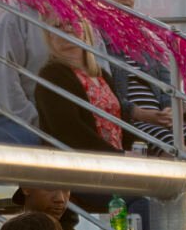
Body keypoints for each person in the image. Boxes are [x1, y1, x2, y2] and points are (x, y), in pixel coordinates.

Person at [0, 0, 88, 146]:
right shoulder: (17, 18)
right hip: (12, 117)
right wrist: (37, 120)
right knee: (37, 149)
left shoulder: (85, 23)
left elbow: (97, 71)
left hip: (63, 120)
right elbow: (4, 79)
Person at [94, 0, 176, 154]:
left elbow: (166, 80)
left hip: (160, 118)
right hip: (130, 121)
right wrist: (140, 113)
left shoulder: (145, 36)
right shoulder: (95, 35)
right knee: (176, 147)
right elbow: (102, 91)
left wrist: (169, 109)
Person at [34, 26, 123, 155]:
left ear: (86, 31)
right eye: (57, 26)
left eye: (73, 23)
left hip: (116, 162)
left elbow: (122, 121)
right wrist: (117, 155)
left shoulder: (101, 75)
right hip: (82, 165)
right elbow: (69, 132)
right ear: (49, 36)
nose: (67, 30)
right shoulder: (51, 76)